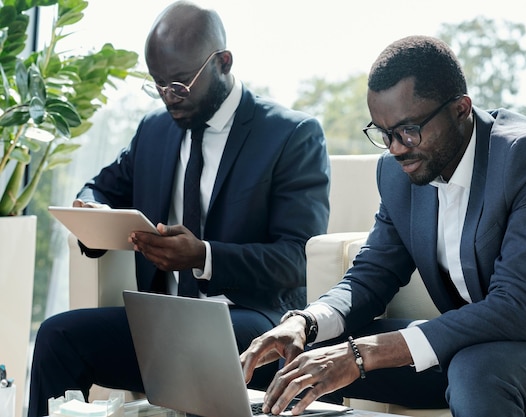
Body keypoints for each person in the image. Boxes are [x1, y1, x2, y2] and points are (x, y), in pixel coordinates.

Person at [240, 35, 526, 417]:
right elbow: (371, 275)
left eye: (408, 130)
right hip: (474, 344)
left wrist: (363, 355)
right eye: (384, 133)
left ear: (461, 109)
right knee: (300, 355)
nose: (395, 148)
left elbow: (518, 308)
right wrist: (305, 324)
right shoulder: (397, 174)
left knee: (476, 369)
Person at [28, 2, 330, 416]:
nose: (169, 97)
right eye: (158, 84)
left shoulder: (290, 135)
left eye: (181, 84)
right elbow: (99, 189)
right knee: (57, 335)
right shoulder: (154, 130)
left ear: (223, 62)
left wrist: (205, 256)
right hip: (162, 319)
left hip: (249, 324)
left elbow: (297, 259)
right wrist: (93, 213)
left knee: (194, 343)